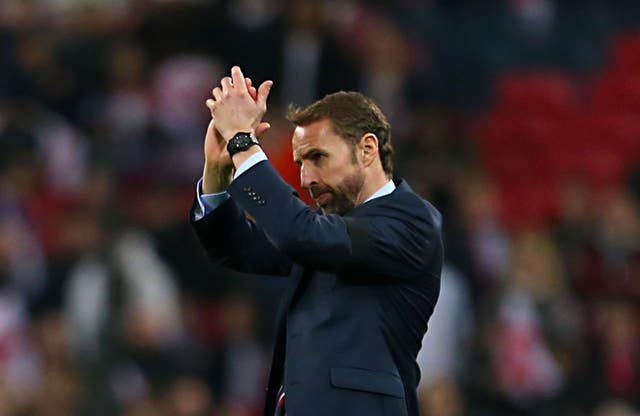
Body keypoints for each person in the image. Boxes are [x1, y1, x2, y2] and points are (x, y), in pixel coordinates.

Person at [190, 66, 443, 416]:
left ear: (367, 149)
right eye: (300, 162)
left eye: (318, 158)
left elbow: (299, 234)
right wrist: (216, 174)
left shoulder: (412, 222)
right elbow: (235, 248)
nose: (306, 178)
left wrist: (243, 143)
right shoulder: (326, 232)